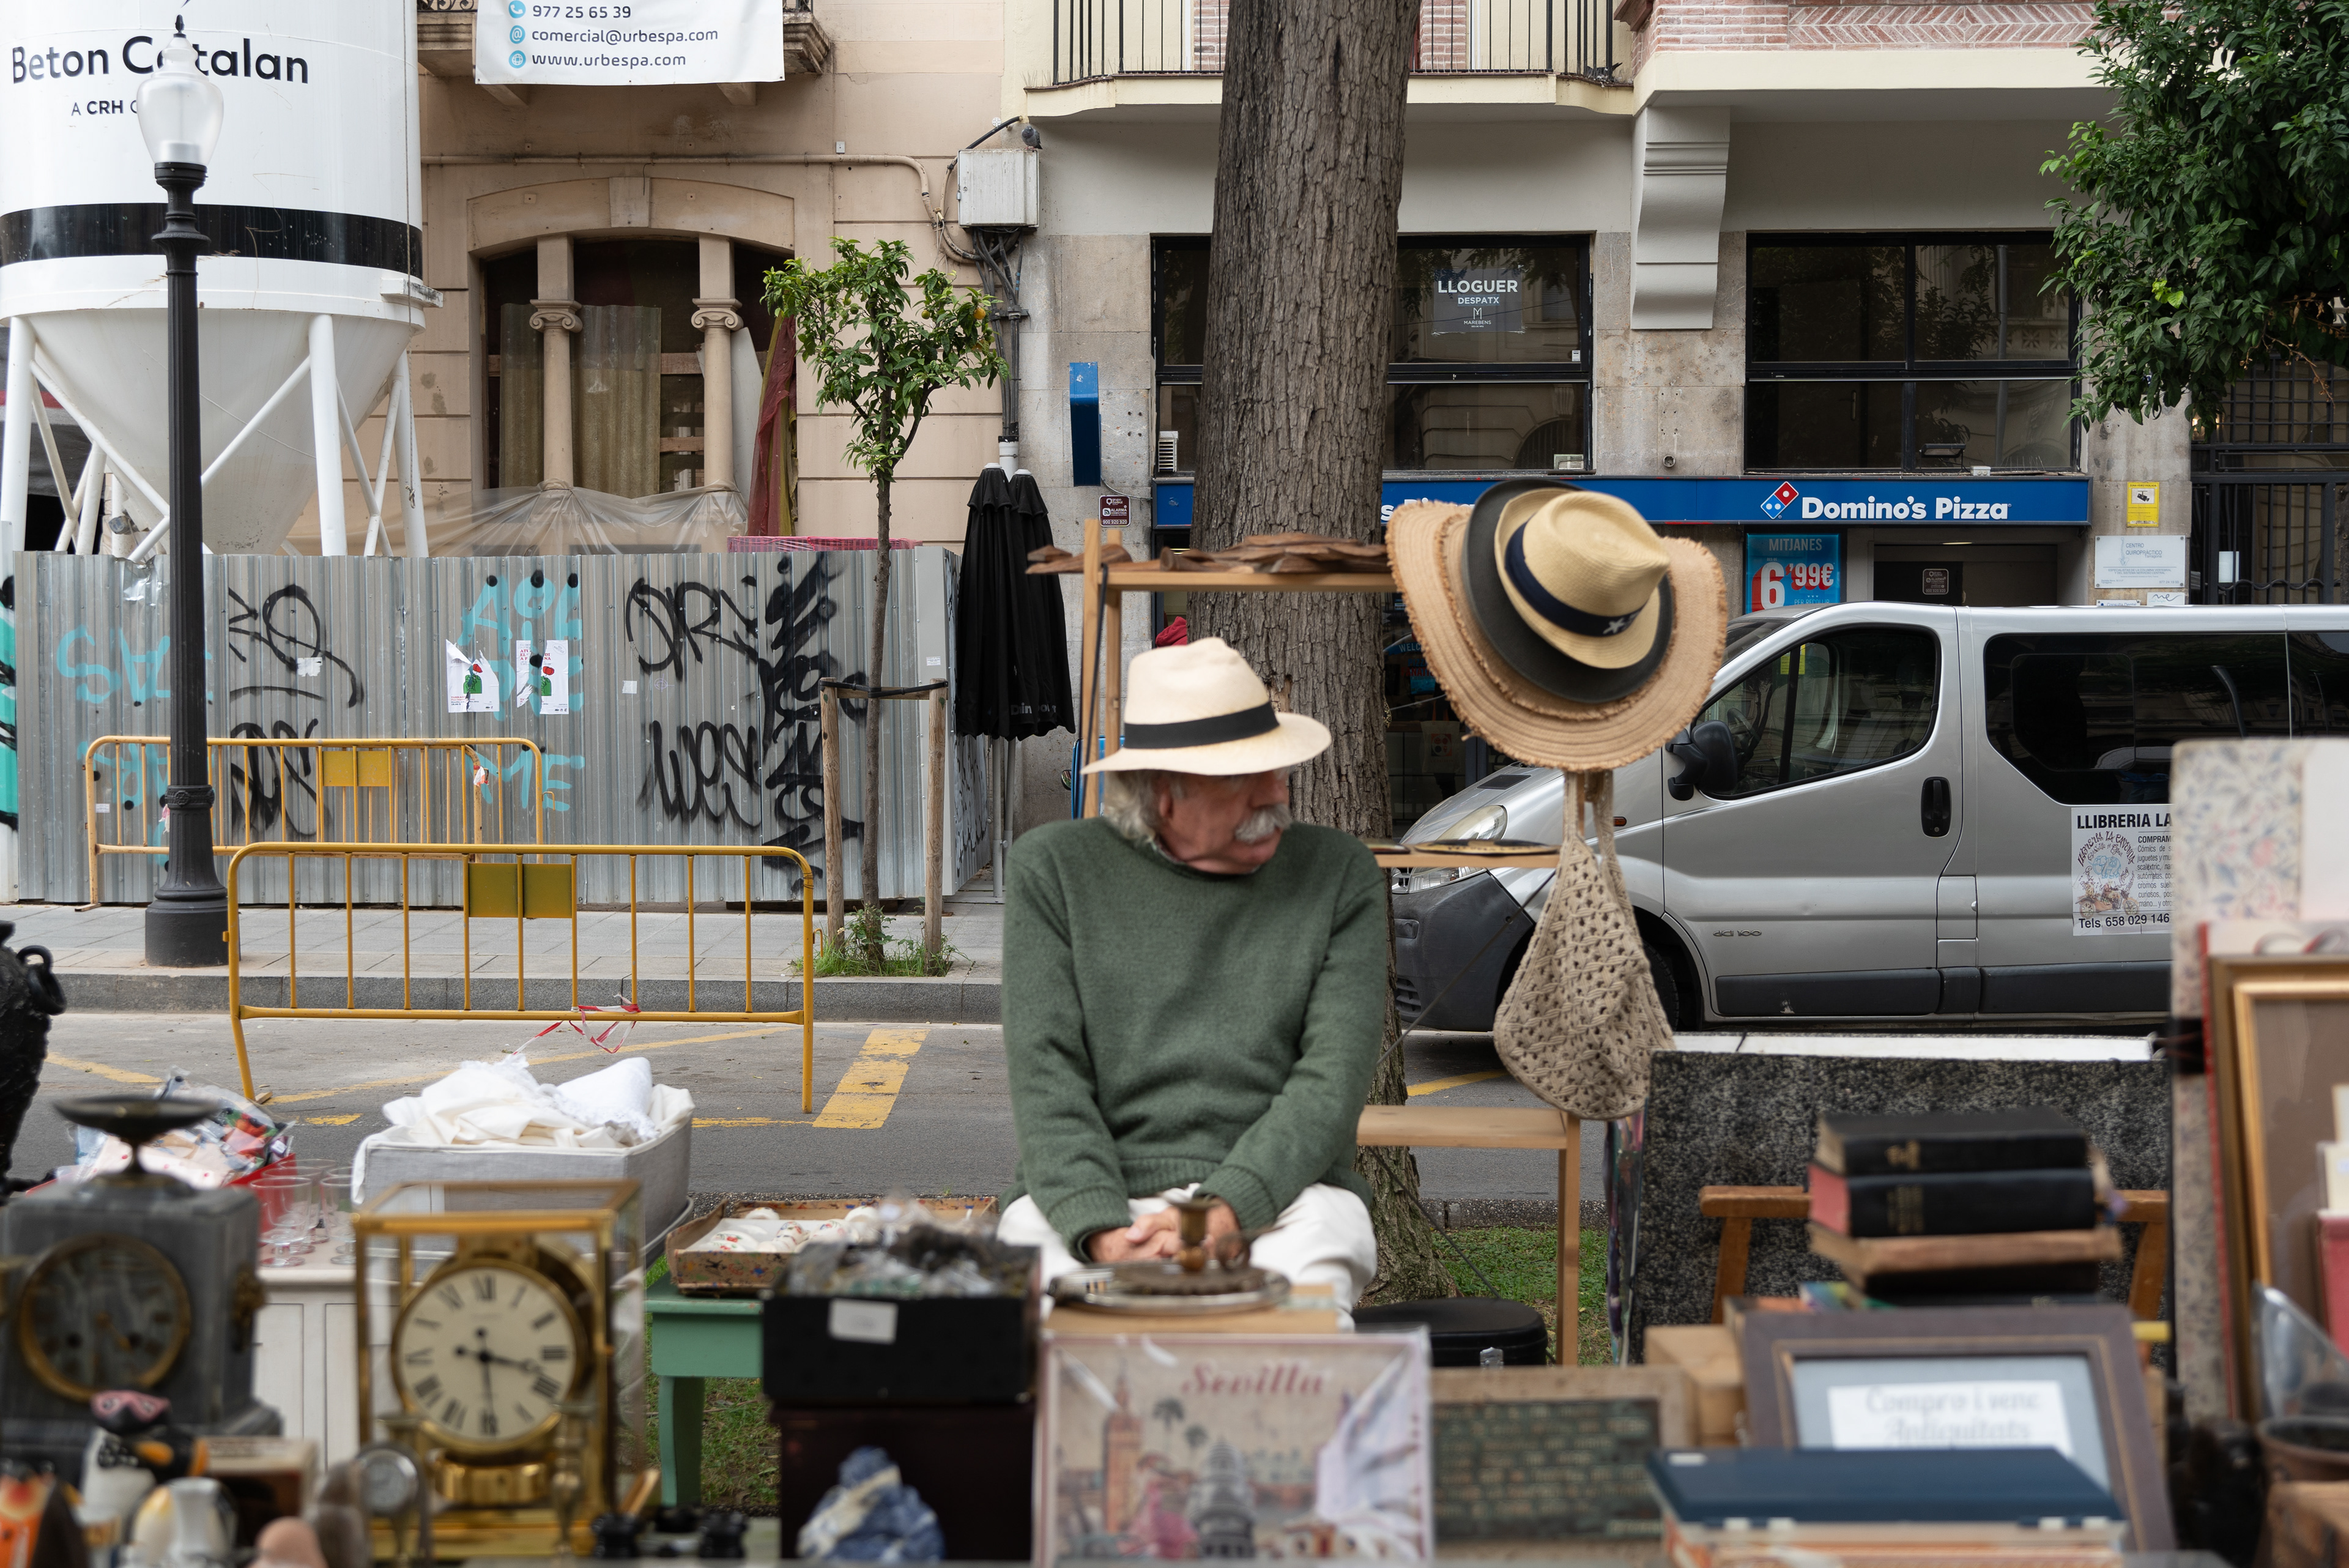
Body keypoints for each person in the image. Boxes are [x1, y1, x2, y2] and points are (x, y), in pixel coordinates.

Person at [995, 637, 1386, 1316]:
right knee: (1047, 1336)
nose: (1275, 793)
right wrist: (1106, 1232)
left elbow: (1334, 1078)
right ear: (1161, 797)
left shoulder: (1337, 872)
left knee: (1298, 1332)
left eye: (1276, 766)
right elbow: (1045, 1072)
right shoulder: (1055, 869)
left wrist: (1220, 1214)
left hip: (1282, 1198)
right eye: (1241, 777)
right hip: (1094, 1196)